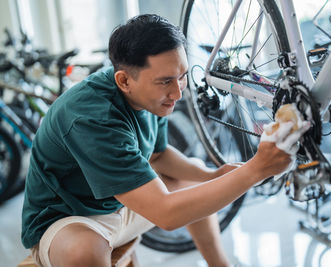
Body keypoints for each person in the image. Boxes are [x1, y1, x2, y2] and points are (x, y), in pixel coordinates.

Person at [21, 14, 309, 267]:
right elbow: (166, 215)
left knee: (197, 178)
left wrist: (211, 175)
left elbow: (158, 155)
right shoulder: (90, 117)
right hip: (70, 217)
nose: (178, 92)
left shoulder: (147, 95)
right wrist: (255, 169)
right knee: (81, 253)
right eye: (165, 81)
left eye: (182, 76)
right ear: (124, 81)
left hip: (119, 203)